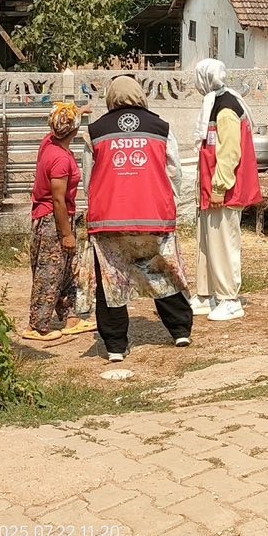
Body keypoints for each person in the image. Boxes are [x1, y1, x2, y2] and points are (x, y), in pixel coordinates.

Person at [82, 76, 192, 362]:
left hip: (109, 220)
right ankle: (180, 329)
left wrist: (96, 205)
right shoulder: (161, 127)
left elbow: (87, 178)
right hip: (153, 216)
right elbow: (175, 173)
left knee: (112, 279)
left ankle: (116, 345)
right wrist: (170, 204)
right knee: (161, 269)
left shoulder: (95, 131)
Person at [191, 58, 261, 321]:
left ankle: (229, 299)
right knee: (206, 244)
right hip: (211, 187)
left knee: (223, 244)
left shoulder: (225, 108)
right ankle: (206, 295)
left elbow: (230, 151)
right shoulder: (213, 103)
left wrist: (220, 185)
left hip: (224, 189)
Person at [23, 102, 95, 343]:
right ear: (74, 131)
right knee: (49, 272)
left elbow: (62, 117)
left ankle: (71, 316)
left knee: (66, 270)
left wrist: (79, 111)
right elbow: (58, 200)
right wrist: (66, 233)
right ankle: (37, 325)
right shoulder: (60, 159)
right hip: (52, 220)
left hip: (57, 218)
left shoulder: (49, 143)